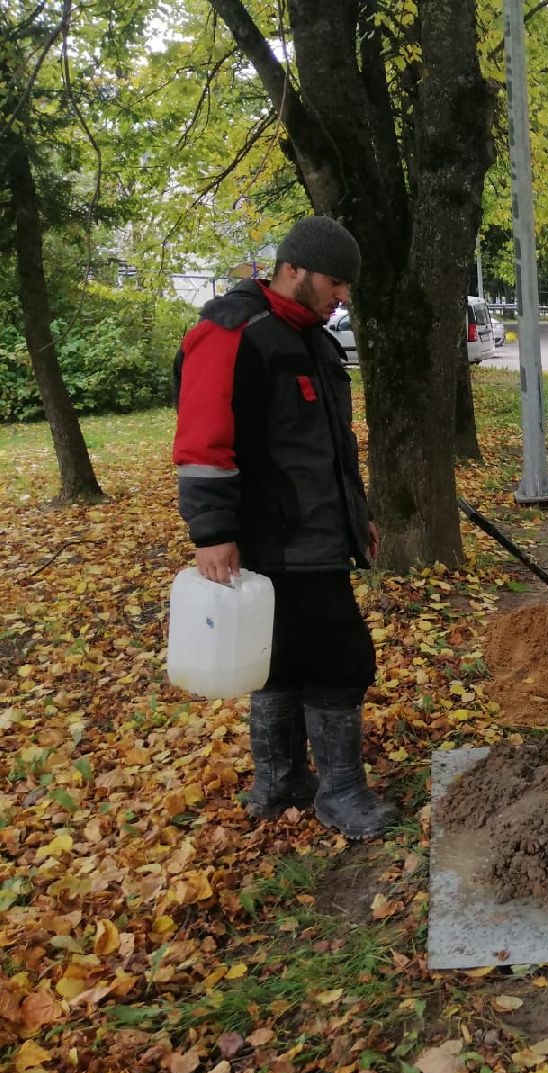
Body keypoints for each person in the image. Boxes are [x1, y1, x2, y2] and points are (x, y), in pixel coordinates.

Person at [172, 216, 397, 839]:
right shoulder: (234, 334)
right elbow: (201, 441)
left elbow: (332, 448)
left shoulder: (316, 343)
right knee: (339, 659)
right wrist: (212, 532)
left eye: (348, 285)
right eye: (335, 281)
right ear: (293, 269)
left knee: (281, 660)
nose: (343, 296)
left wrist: (360, 519)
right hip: (272, 539)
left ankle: (279, 786)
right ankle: (339, 794)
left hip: (320, 535)